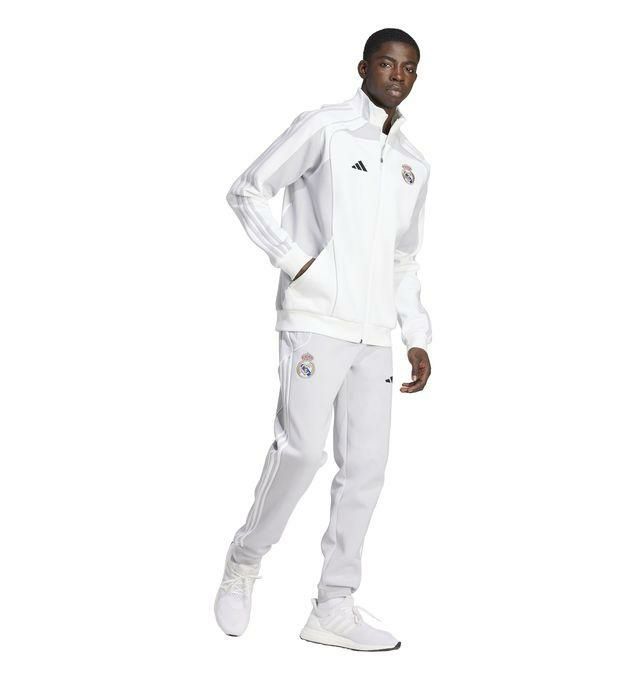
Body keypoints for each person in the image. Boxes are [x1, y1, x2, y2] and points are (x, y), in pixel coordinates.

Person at [215, 27, 432, 652]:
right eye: (387, 63)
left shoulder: (415, 163)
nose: (397, 76)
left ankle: (334, 604)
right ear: (364, 67)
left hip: (374, 335)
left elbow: (403, 259)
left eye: (408, 68)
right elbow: (247, 189)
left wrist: (415, 333)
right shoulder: (326, 127)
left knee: (365, 468)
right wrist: (297, 264)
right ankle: (244, 561)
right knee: (301, 452)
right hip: (315, 322)